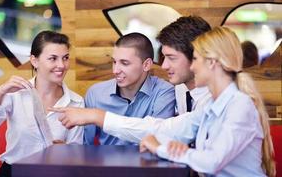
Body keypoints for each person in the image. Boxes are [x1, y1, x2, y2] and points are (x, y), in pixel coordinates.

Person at [50, 16, 211, 143]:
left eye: (171, 58)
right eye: (114, 62)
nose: (164, 65)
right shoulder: (181, 90)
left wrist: (98, 116)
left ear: (197, 57)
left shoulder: (213, 99)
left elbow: (161, 132)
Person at [140, 27, 276, 176]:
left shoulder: (240, 105)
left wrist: (160, 148)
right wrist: (166, 143)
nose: (192, 66)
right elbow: (178, 128)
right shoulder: (212, 105)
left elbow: (212, 161)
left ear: (211, 62)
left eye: (196, 59)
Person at [0, 31, 84, 177]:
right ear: (34, 60)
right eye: (53, 58)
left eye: (65, 58)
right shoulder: (14, 94)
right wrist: (0, 92)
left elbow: (77, 153)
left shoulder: (77, 102)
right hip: (13, 172)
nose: (61, 65)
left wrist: (66, 150)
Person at [83, 32, 176, 145]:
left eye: (125, 63)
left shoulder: (164, 92)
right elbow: (87, 146)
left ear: (146, 65)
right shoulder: (95, 93)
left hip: (147, 161)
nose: (115, 70)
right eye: (114, 62)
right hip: (105, 162)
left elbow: (161, 138)